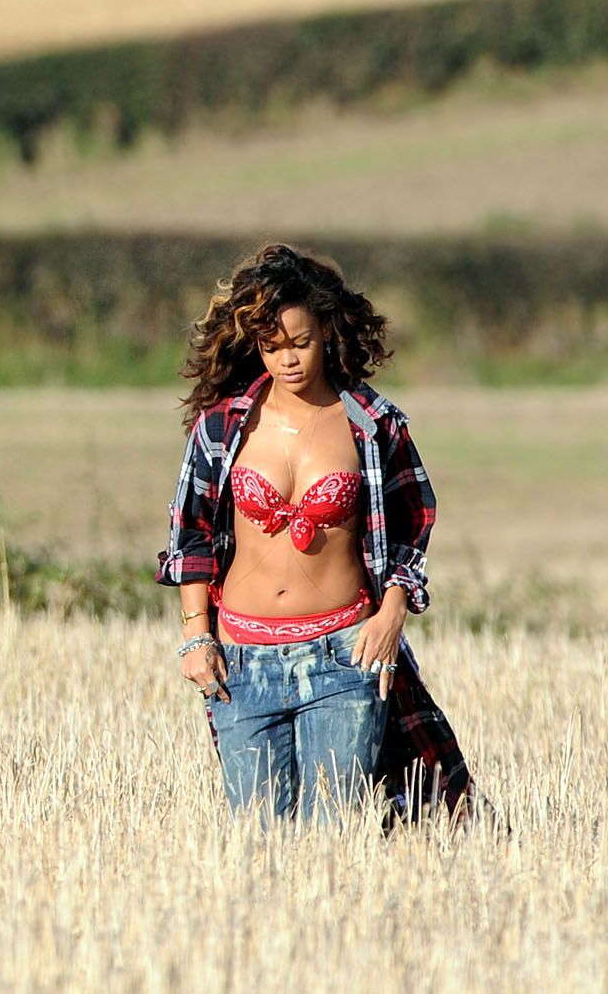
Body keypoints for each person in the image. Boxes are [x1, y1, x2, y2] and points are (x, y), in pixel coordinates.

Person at [156, 243, 472, 823]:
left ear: (327, 330)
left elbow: (414, 521)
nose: (288, 360)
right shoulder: (223, 427)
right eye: (272, 347)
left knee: (333, 843)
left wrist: (392, 613)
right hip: (242, 663)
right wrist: (196, 638)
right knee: (257, 842)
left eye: (300, 342)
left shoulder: (374, 425)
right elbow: (190, 534)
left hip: (343, 657)